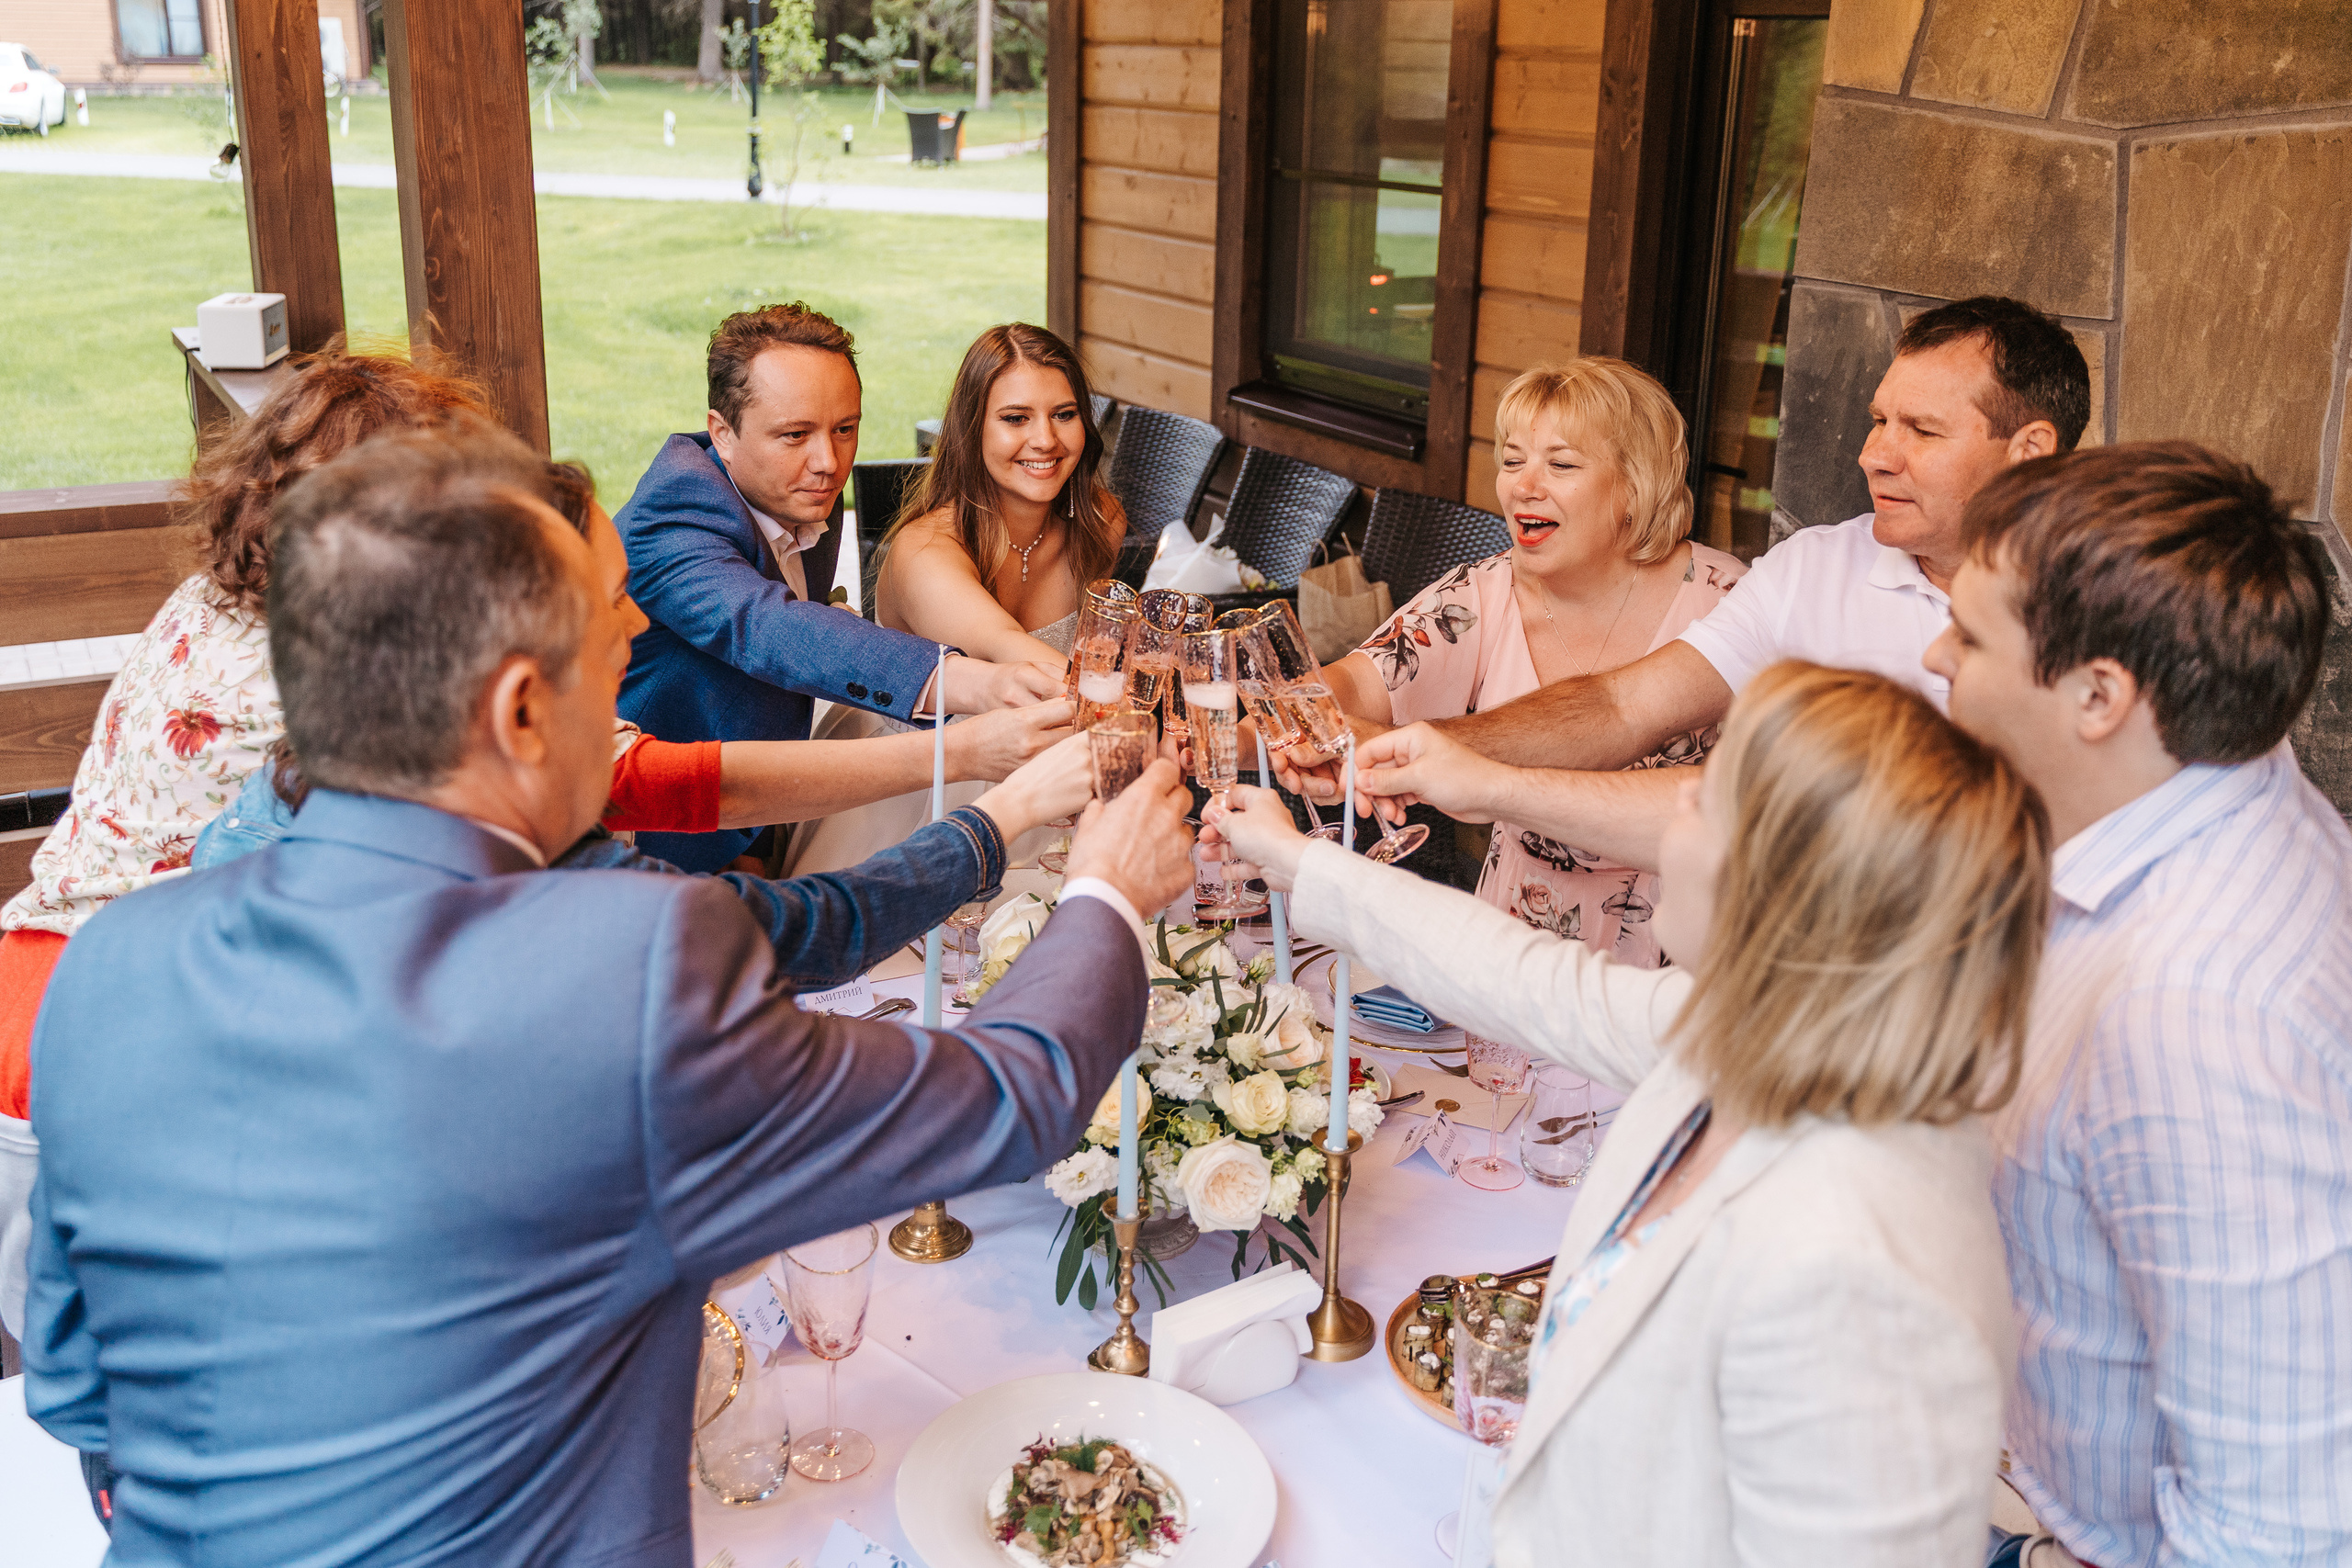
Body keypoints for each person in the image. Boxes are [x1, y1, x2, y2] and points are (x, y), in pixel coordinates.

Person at [23, 421, 1197, 1564]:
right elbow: (1010, 1099)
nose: (638, 635)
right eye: (608, 637)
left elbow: (78, 1399)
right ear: (519, 712)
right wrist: (1104, 891)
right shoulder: (625, 971)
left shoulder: (109, 967)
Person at [1209, 660, 2051, 1566]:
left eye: (1701, 800)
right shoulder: (1749, 1035)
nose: (1667, 821)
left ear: (1780, 889)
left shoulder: (1867, 1274)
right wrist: (1300, 861)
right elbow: (1527, 980)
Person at [1922, 444, 2351, 1567]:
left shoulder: (2200, 1015)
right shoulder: (2210, 794)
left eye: (1968, 637)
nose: (1933, 655)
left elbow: (2277, 1529)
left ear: (2098, 695)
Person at [1316, 296, 2089, 874]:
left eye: (1920, 432)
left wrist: (1471, 776)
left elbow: (1760, 803)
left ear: (2029, 449)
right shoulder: (1816, 566)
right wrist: (1434, 754)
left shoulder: (2103, 613)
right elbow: (1626, 704)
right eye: (1878, 420)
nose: (1874, 455)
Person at [1313, 358, 1741, 966]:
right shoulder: (1482, 591)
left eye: (1561, 465)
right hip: (1517, 950)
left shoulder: (1731, 603)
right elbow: (1357, 681)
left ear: (1635, 485)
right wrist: (1282, 729)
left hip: (1680, 958)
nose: (1523, 485)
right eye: (1513, 460)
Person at [616, 302, 1068, 872]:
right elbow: (771, 630)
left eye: (845, 429)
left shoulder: (789, 491)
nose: (829, 462)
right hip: (643, 841)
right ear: (722, 433)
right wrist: (979, 684)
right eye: (795, 434)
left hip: (747, 824)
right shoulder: (672, 516)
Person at [786, 321, 1127, 875]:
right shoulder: (926, 549)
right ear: (972, 430)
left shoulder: (1099, 522)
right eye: (1016, 418)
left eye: (1064, 415)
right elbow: (1004, 645)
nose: (1046, 440)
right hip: (914, 791)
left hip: (1042, 775)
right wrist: (1147, 713)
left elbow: (1094, 650)